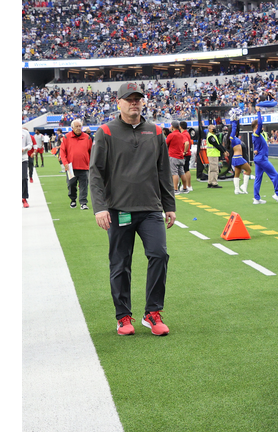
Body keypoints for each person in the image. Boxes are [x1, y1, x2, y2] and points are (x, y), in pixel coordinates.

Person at [89, 82, 175, 337]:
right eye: (129, 99)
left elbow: (164, 172)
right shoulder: (105, 132)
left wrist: (169, 205)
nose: (134, 102)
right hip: (118, 210)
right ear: (119, 103)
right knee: (120, 264)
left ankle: (152, 313)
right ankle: (123, 316)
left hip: (150, 209)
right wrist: (99, 208)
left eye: (138, 98)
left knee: (159, 255)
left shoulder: (156, 131)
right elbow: (96, 173)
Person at [250, 106, 278, 204]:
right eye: (260, 126)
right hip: (262, 158)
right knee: (275, 175)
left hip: (258, 158)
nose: (262, 127)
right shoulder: (256, 134)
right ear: (257, 126)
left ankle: (256, 198)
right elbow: (260, 123)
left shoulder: (256, 135)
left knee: (258, 178)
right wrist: (258, 112)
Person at [60, 119, 93, 210]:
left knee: (84, 185)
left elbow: (91, 152)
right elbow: (62, 152)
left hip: (84, 166)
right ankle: (73, 200)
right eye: (77, 126)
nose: (79, 128)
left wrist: (90, 163)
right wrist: (65, 163)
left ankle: (83, 202)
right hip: (70, 167)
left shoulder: (87, 137)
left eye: (80, 126)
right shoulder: (66, 137)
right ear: (72, 128)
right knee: (71, 184)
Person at [228, 118, 251, 194]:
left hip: (235, 158)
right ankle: (244, 187)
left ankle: (236, 190)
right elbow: (234, 129)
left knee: (237, 173)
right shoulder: (232, 138)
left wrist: (236, 121)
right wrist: (234, 121)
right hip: (238, 157)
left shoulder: (235, 138)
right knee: (249, 170)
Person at [166, 121, 188, 195]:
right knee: (182, 172)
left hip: (173, 156)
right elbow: (186, 143)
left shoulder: (171, 135)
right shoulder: (181, 135)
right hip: (181, 156)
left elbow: (165, 144)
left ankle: (175, 189)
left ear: (172, 127)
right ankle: (185, 188)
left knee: (174, 173)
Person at [205, 124, 224, 189]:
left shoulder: (212, 135)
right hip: (213, 154)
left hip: (212, 154)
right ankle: (214, 183)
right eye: (213, 128)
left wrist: (224, 151)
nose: (214, 129)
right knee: (214, 169)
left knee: (211, 169)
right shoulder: (211, 136)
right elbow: (216, 145)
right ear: (209, 129)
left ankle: (210, 182)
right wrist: (223, 151)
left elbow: (219, 144)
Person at [180, 121, 193, 193]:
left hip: (186, 154)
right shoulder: (186, 133)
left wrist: (184, 151)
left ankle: (188, 185)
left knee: (186, 170)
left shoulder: (184, 134)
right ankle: (187, 185)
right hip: (188, 153)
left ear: (180, 127)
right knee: (185, 170)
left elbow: (187, 143)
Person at [22, 127, 33, 208]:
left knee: (24, 178)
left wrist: (24, 149)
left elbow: (30, 145)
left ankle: (24, 198)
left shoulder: (25, 132)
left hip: (23, 159)